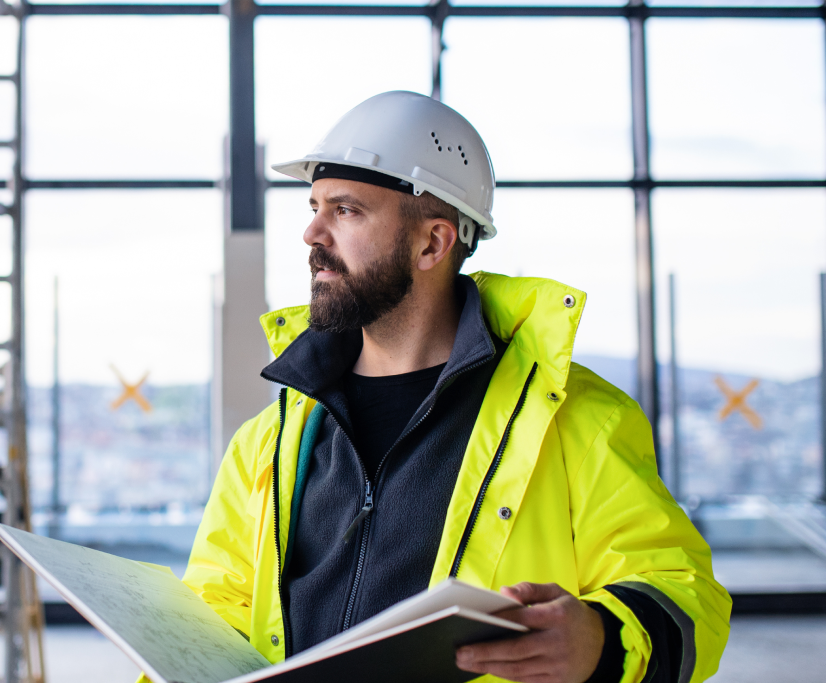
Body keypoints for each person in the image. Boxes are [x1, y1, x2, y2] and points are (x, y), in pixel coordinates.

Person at [182, 92, 730, 683]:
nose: (312, 233)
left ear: (433, 243)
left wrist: (602, 639)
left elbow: (686, 592)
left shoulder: (577, 421)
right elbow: (213, 612)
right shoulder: (267, 441)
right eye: (315, 207)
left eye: (346, 211)